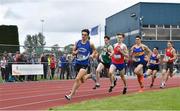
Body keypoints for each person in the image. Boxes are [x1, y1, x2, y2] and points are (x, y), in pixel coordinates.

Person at [65, 29, 96, 100]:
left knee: (77, 78)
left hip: (85, 64)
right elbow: (73, 52)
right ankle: (90, 75)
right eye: (82, 34)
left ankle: (70, 95)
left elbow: (95, 50)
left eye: (85, 35)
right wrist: (75, 52)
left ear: (88, 36)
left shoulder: (90, 44)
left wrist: (92, 55)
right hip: (77, 63)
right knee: (82, 80)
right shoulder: (77, 42)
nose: (83, 36)